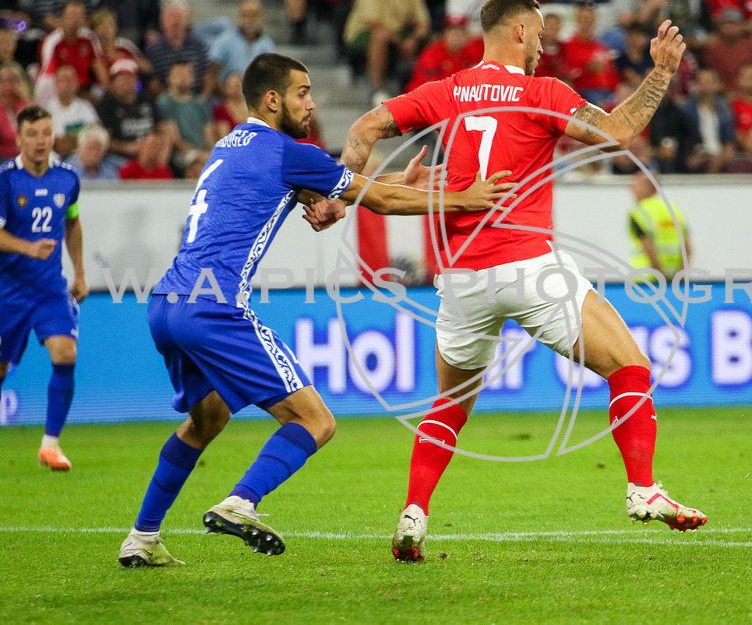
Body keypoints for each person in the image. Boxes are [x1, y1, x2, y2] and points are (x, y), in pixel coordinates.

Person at [330, 0, 707, 562]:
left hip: (460, 280)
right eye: (538, 33)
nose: (543, 45)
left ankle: (414, 511)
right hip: (530, 267)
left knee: (451, 404)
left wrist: (338, 199)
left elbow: (361, 131)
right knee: (630, 366)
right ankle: (643, 490)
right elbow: (617, 134)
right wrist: (660, 73)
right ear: (521, 33)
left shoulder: (444, 92)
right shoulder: (542, 92)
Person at [116, 51, 513, 568]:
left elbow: (328, 198)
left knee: (206, 418)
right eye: (302, 92)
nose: (311, 102)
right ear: (272, 98)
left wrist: (398, 185)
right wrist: (464, 199)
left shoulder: (228, 147)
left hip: (166, 304)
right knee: (316, 421)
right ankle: (241, 502)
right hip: (214, 307)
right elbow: (377, 201)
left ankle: (141, 538)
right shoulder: (287, 150)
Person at [0, 104, 88, 471]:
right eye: (33, 134)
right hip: (9, 289)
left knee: (66, 355)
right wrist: (28, 248)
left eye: (47, 133)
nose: (41, 141)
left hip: (50, 287)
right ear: (18, 138)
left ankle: (50, 445)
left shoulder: (67, 179)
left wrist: (80, 272)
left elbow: (72, 222)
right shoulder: (5, 180)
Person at [628, 170, 689, 279]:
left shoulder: (639, 212)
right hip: (674, 276)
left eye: (636, 185)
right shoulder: (675, 210)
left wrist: (661, 276)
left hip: (645, 277)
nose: (631, 189)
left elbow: (648, 247)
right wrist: (680, 276)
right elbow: (687, 248)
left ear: (649, 187)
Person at [208, 0, 275, 87]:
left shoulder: (267, 45)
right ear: (238, 17)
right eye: (245, 15)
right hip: (225, 94)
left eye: (253, 15)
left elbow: (269, 77)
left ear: (261, 17)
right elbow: (212, 72)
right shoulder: (225, 40)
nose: (249, 20)